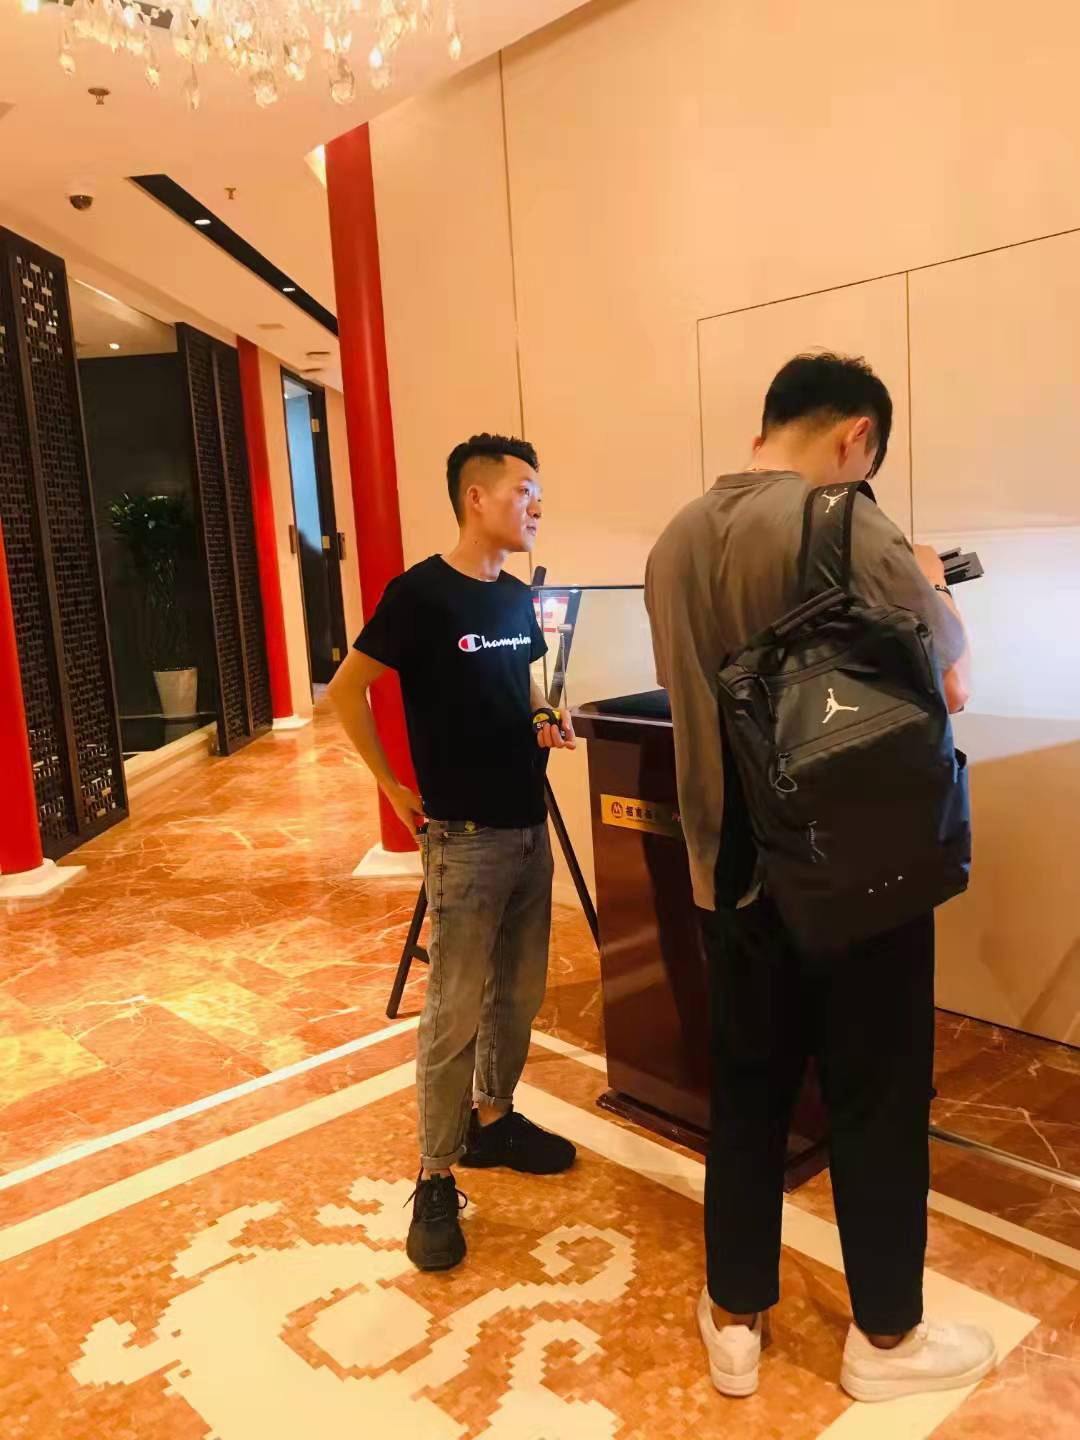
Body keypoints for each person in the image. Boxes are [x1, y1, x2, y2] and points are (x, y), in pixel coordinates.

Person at [645, 354, 995, 1403]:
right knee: (876, 1094)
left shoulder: (672, 541)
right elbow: (951, 680)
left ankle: (735, 1321)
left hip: (725, 873)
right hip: (856, 875)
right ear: (855, 438)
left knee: (747, 1092)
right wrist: (929, 578)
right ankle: (885, 1338)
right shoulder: (848, 523)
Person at [328, 433, 577, 1274]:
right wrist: (390, 785)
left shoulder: (512, 597)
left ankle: (492, 1121)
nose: (536, 506)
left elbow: (525, 680)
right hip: (463, 841)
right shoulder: (421, 595)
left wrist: (543, 715)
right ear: (476, 497)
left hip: (527, 827)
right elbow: (347, 691)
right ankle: (435, 1174)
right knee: (454, 1012)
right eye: (524, 491)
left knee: (521, 993)